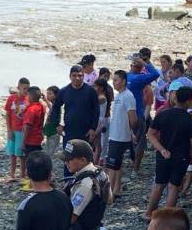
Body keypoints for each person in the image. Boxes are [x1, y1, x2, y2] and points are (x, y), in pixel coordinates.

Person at [146, 86, 192, 218]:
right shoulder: (190, 119)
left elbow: (150, 134)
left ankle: (148, 213)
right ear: (188, 101)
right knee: (174, 186)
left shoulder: (163, 114)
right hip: (181, 156)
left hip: (163, 154)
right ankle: (166, 217)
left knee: (159, 184)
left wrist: (161, 149)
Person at [49, 65, 102, 157]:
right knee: (69, 156)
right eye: (74, 75)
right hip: (69, 131)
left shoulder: (91, 91)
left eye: (80, 75)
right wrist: (57, 124)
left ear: (83, 76)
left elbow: (96, 111)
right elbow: (56, 107)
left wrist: (93, 128)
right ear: (70, 76)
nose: (77, 78)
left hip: (86, 131)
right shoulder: (64, 91)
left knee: (84, 157)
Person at [105, 70, 138, 198]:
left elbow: (133, 118)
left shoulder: (128, 96)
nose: (113, 83)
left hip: (120, 137)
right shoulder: (119, 95)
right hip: (115, 135)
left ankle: (109, 195)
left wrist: (130, 132)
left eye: (116, 80)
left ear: (123, 81)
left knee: (112, 166)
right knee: (117, 165)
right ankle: (116, 190)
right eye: (113, 80)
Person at [127, 56, 161, 170]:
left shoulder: (127, 76)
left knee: (130, 140)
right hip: (137, 113)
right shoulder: (139, 78)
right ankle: (135, 167)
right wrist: (146, 63)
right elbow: (155, 74)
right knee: (138, 141)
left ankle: (132, 164)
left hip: (128, 113)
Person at [5, 77, 31, 182]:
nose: (26, 91)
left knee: (21, 154)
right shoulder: (11, 99)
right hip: (13, 129)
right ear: (18, 87)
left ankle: (22, 175)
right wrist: (9, 130)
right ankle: (12, 174)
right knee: (12, 153)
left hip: (22, 130)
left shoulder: (28, 100)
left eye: (28, 89)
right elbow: (7, 114)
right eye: (24, 88)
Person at [21, 86, 47, 160]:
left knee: (30, 160)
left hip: (30, 140)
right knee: (36, 160)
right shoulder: (41, 107)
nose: (26, 97)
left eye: (27, 95)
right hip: (38, 139)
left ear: (30, 96)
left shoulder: (31, 110)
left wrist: (23, 142)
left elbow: (27, 126)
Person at [43, 85, 61, 154]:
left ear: (56, 95)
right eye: (47, 93)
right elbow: (51, 107)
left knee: (51, 153)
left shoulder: (56, 105)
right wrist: (46, 100)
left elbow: (54, 118)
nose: (48, 95)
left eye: (50, 94)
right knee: (48, 152)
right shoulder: (54, 105)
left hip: (54, 133)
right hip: (51, 133)